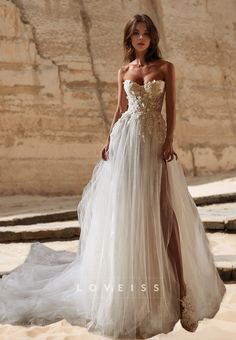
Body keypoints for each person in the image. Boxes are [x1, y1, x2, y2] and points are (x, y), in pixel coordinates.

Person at [0, 13, 226, 339]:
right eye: (136, 33)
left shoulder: (165, 67)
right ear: (130, 38)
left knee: (165, 215)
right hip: (126, 143)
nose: (141, 38)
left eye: (146, 33)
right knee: (129, 215)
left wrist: (169, 142)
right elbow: (121, 110)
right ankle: (132, 295)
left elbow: (171, 109)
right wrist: (109, 140)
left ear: (153, 37)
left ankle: (184, 294)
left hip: (154, 144)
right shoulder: (124, 71)